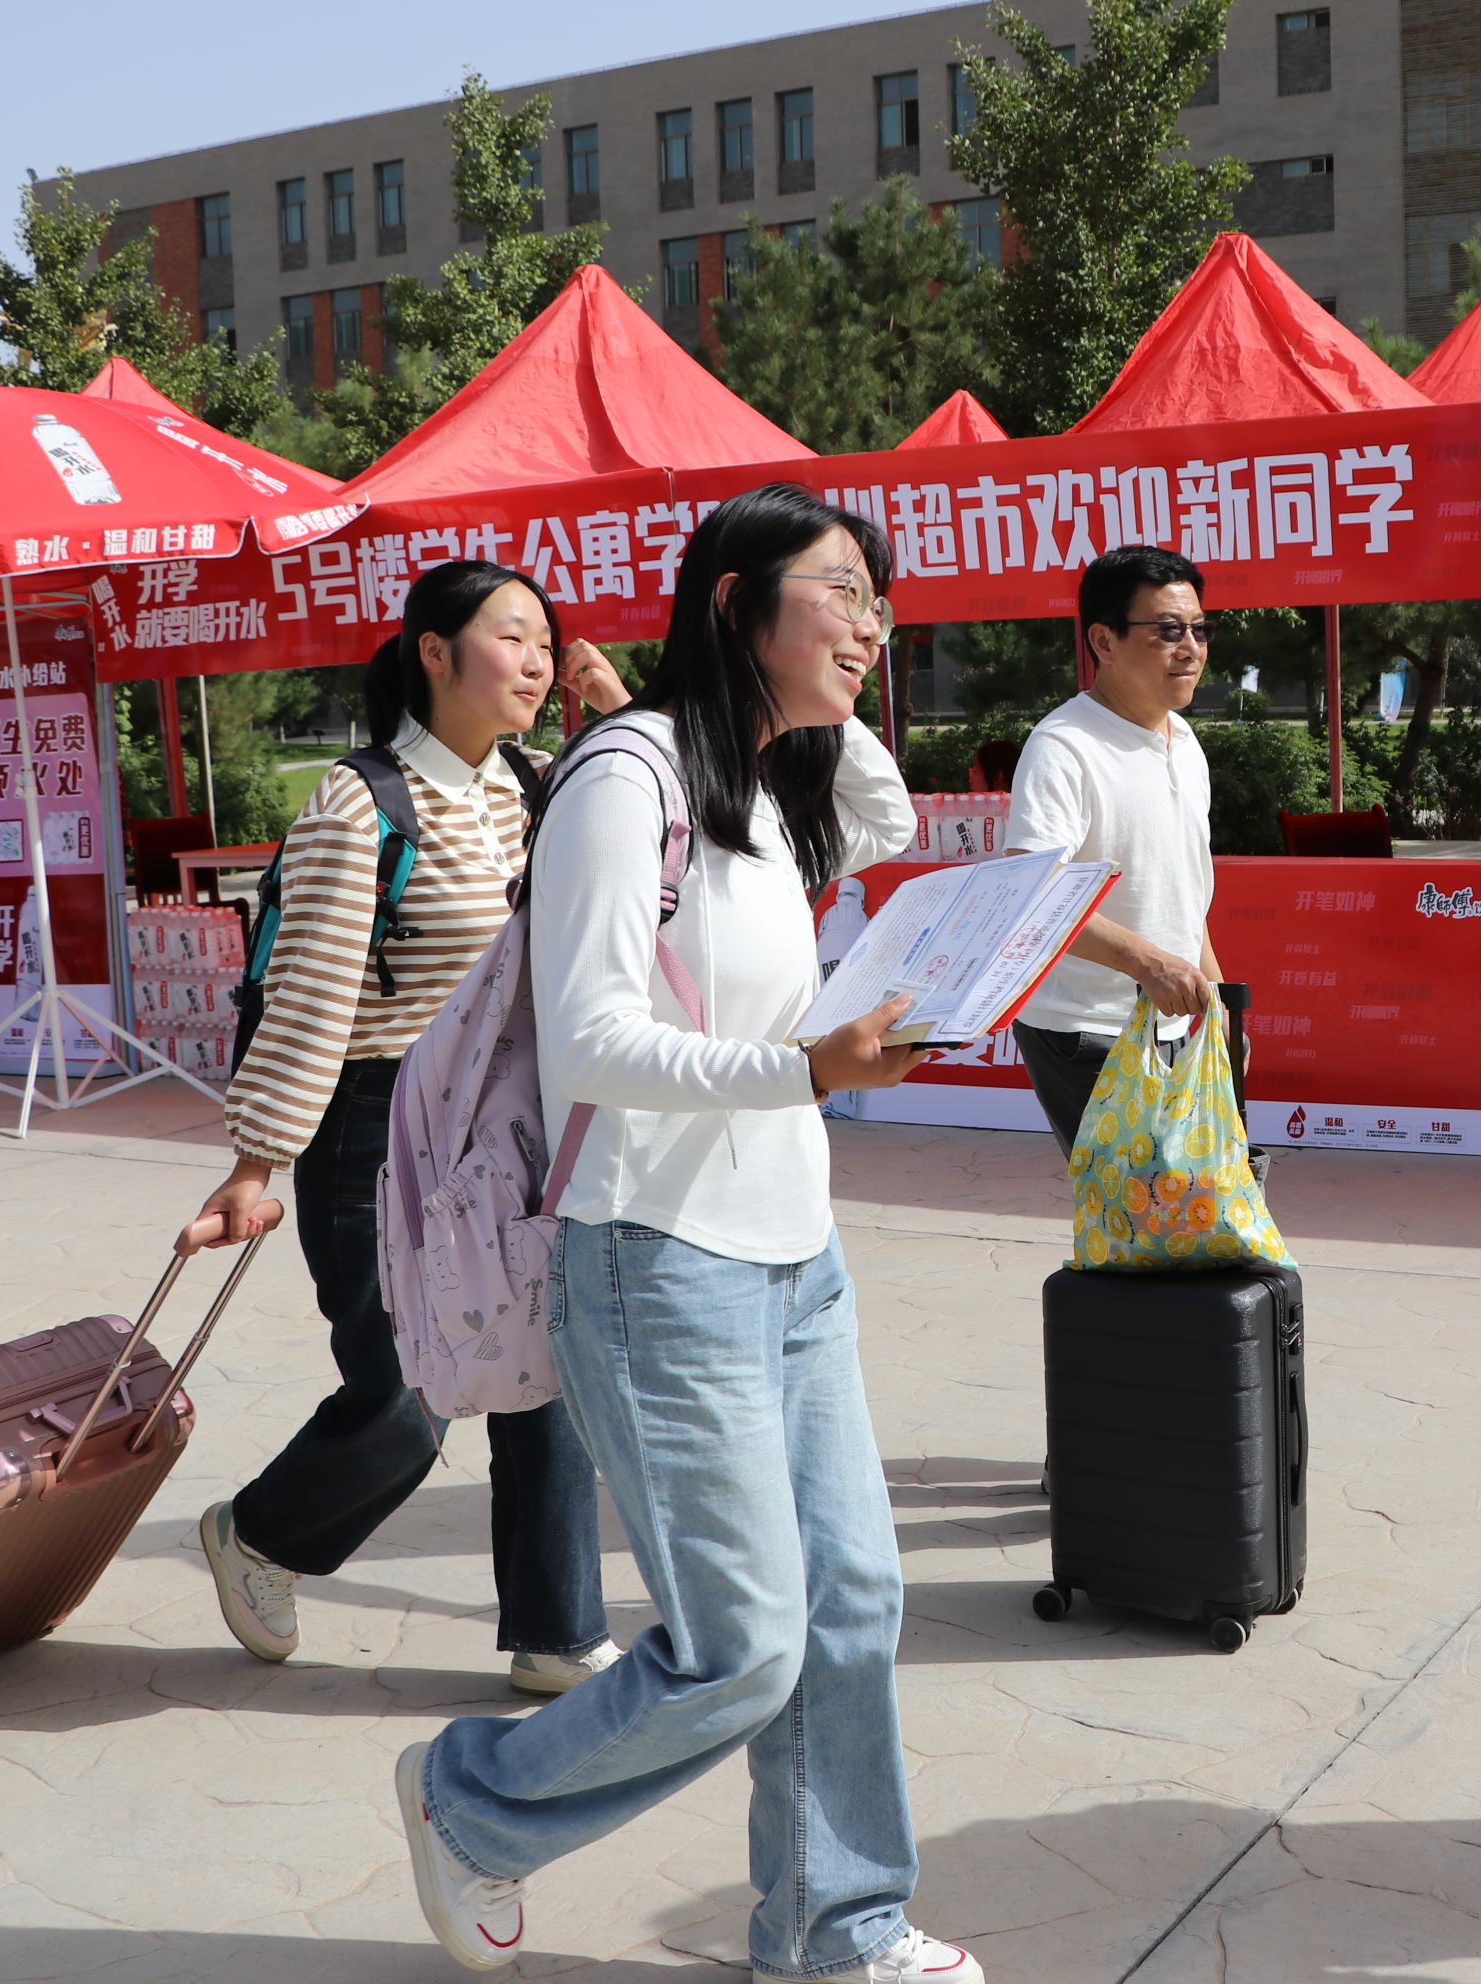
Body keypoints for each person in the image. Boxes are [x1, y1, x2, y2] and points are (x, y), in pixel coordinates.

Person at [392, 484, 981, 1984]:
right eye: (842, 592)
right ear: (734, 601)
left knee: (851, 1608)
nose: (873, 626)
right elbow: (592, 1038)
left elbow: (893, 817)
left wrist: (823, 682)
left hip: (795, 1259)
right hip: (656, 1261)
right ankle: (472, 1797)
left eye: (882, 601)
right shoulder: (624, 775)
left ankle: (836, 1930)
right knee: (743, 1646)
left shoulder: (766, 790)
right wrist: (807, 1069)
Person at [186, 561, 632, 1695]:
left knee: (542, 1373)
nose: (538, 663)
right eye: (512, 638)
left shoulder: (539, 786)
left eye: (548, 644)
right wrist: (255, 1163)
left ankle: (556, 1628)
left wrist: (622, 714)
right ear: (434, 652)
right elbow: (311, 994)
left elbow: (662, 853)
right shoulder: (361, 803)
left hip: (511, 1122)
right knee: (403, 1397)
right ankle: (260, 1536)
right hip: (378, 1125)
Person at [1008, 546, 1231, 1157]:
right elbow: (1034, 893)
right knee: (1148, 1203)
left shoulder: (1185, 741)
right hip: (1088, 1029)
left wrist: (1215, 1000)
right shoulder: (1064, 746)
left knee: (1193, 1201)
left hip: (1177, 1024)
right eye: (1168, 631)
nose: (1191, 648)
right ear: (1103, 641)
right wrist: (1147, 965)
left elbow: (1183, 895)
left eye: (1200, 629)